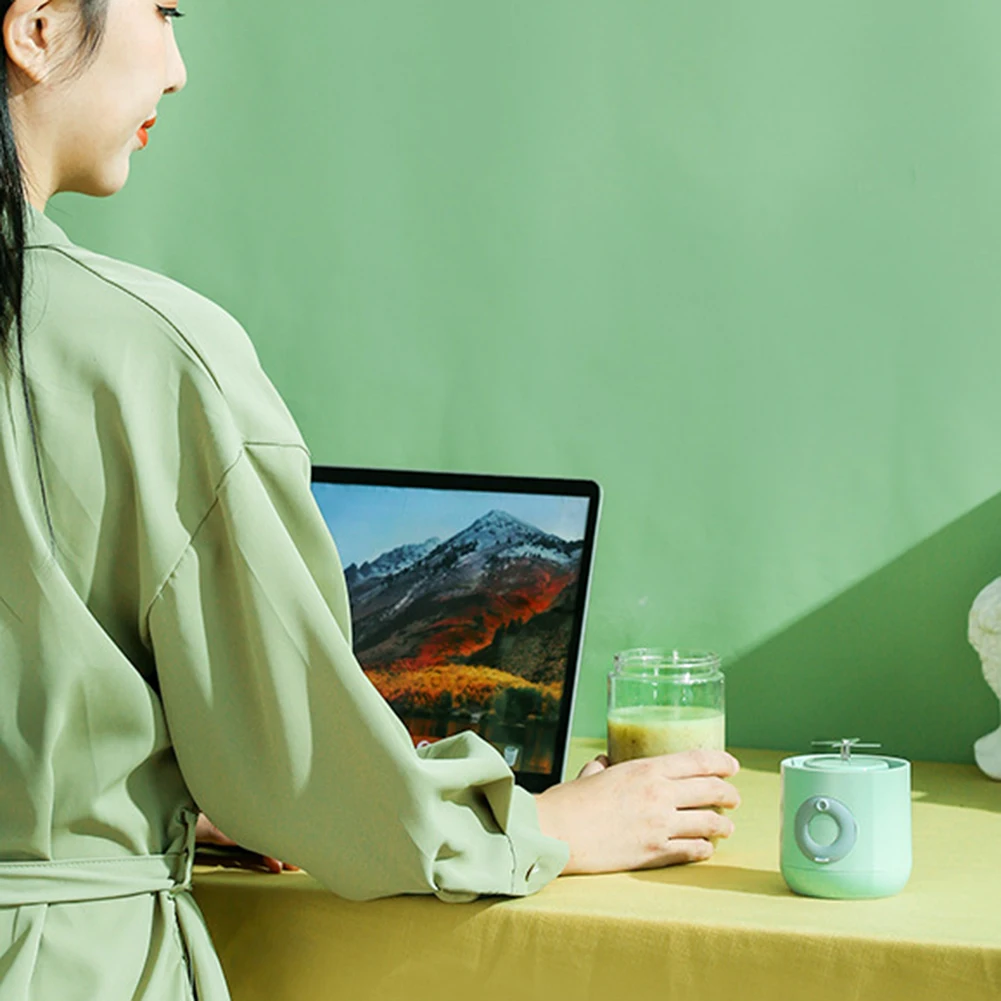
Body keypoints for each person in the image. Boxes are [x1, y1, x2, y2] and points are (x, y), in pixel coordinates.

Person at [0, 1, 742, 999]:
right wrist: (541, 824)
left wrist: (136, 795)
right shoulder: (152, 357)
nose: (175, 69)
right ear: (38, 27)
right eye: (163, 10)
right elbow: (308, 778)